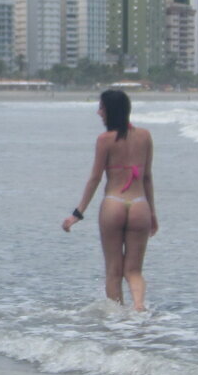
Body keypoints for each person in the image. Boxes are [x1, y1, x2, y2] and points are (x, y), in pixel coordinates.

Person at [62, 89, 158, 310]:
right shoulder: (145, 136)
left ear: (110, 110)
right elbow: (147, 178)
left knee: (113, 271)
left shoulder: (104, 140)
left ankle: (117, 322)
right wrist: (152, 214)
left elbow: (95, 178)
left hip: (113, 203)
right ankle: (139, 306)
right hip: (139, 204)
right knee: (133, 270)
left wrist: (77, 213)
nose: (99, 112)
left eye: (101, 108)